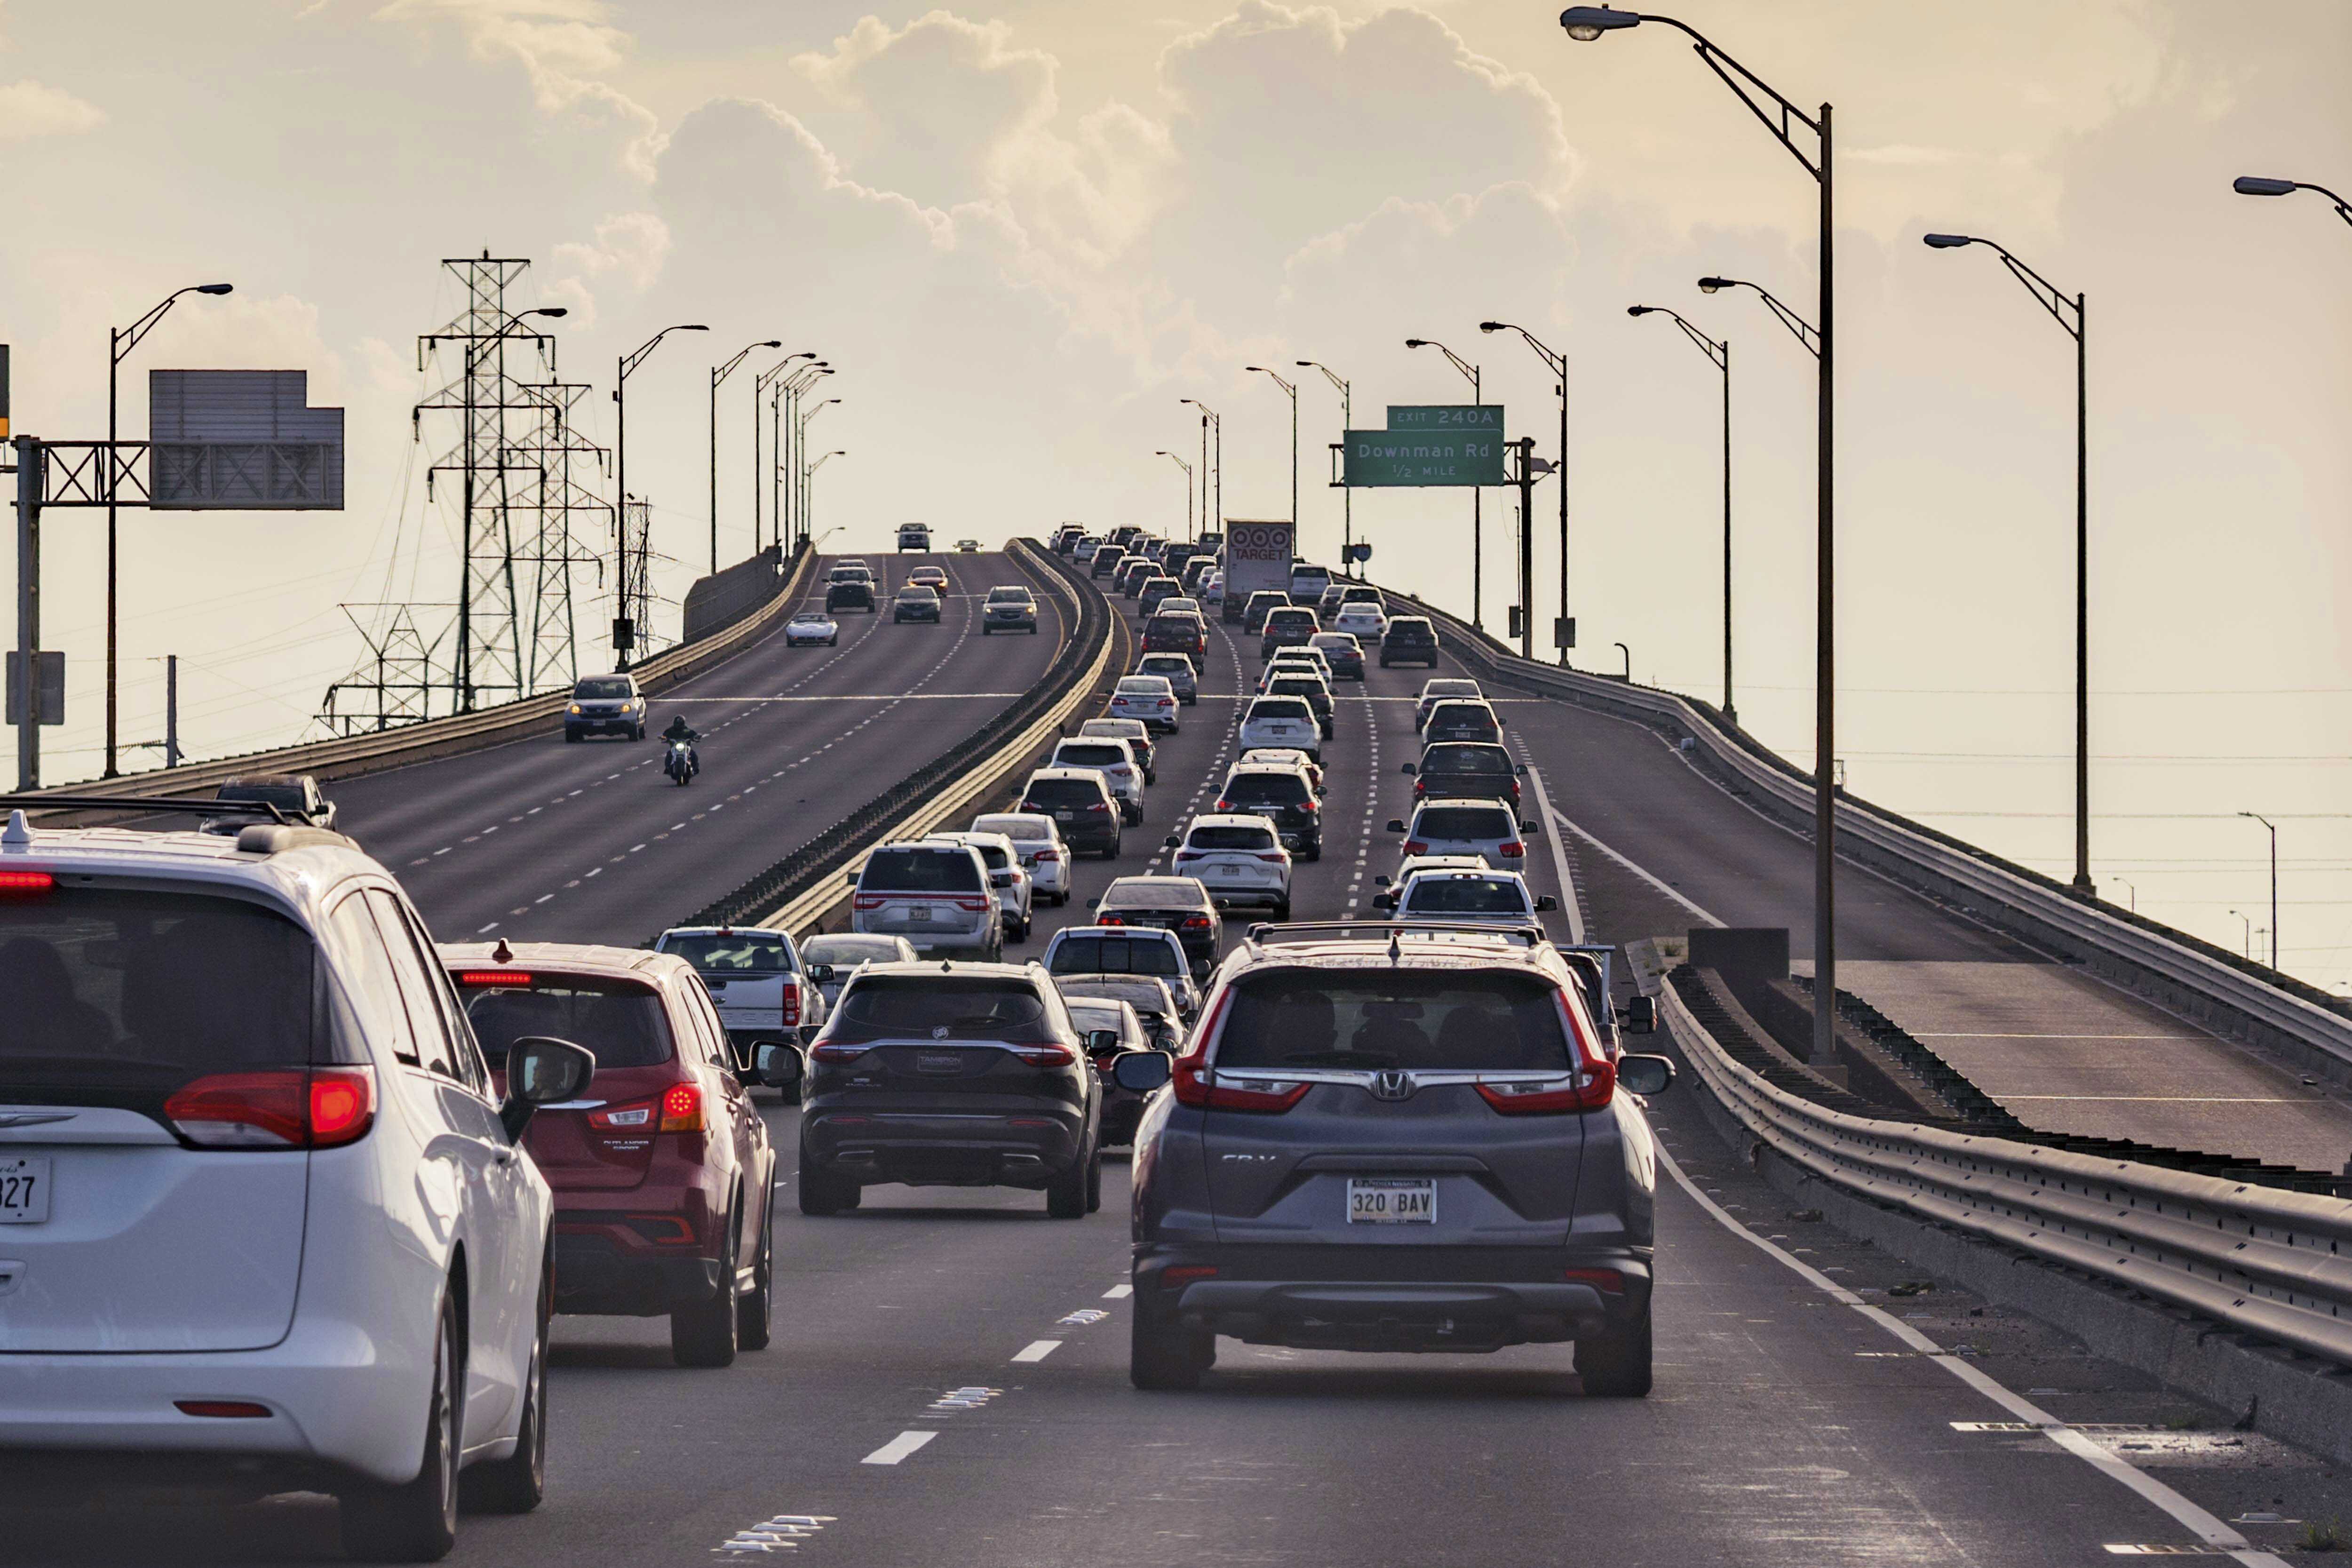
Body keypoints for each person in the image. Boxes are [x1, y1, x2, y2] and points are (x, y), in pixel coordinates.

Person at [661, 714, 700, 778]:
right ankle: (668, 769)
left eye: (679, 723)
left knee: (693, 754)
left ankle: (695, 769)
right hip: (674, 748)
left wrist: (696, 737)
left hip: (686, 747)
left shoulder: (686, 730)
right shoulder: (671, 730)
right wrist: (664, 738)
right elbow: (664, 735)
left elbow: (694, 734)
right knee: (669, 754)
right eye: (677, 723)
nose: (678, 725)